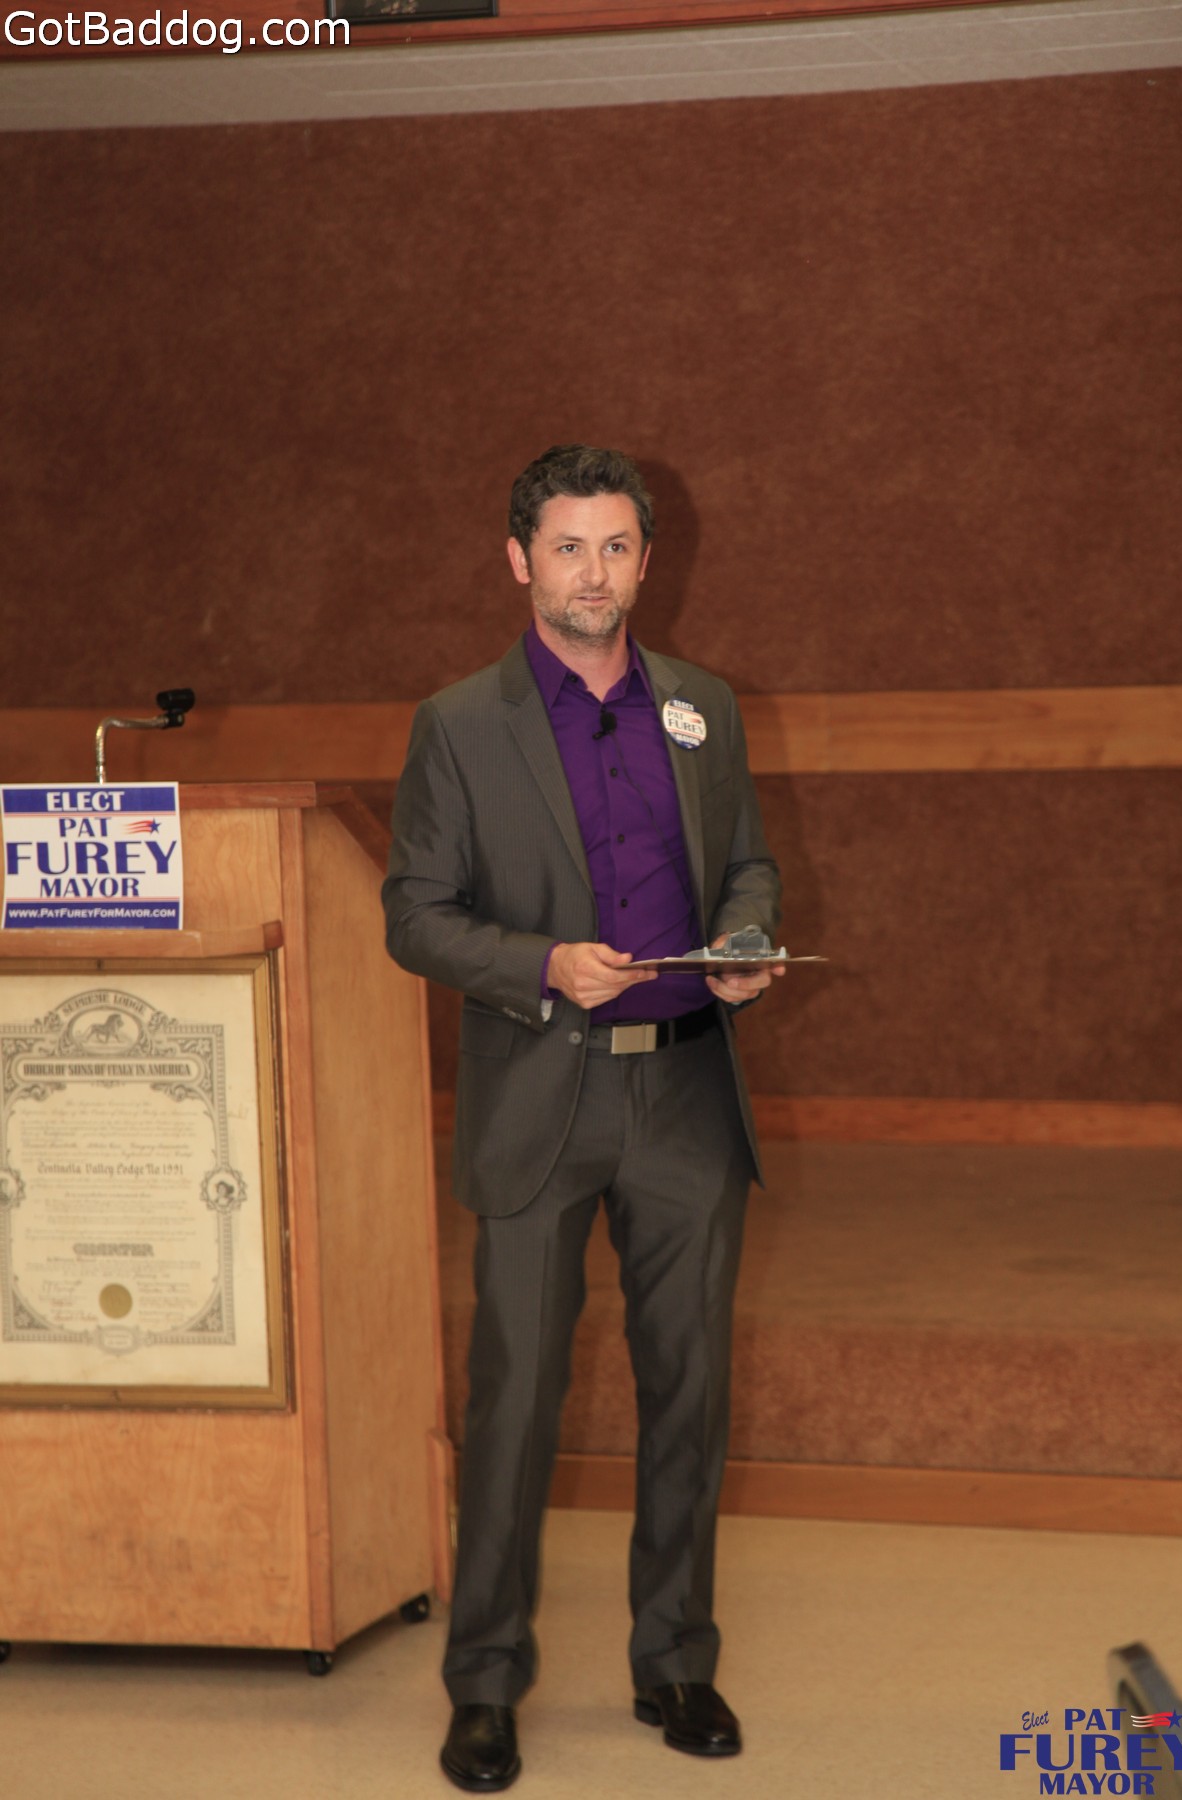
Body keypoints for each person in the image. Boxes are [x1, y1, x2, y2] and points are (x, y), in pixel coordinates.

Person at [383, 444, 783, 1794]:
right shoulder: (459, 723)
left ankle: (674, 1659)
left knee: (689, 1390)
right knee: (515, 1403)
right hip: (539, 1093)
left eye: (616, 548)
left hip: (685, 1094)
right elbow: (415, 916)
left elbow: (746, 863)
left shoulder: (702, 705)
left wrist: (744, 938)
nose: (593, 574)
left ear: (646, 561)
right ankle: (485, 1683)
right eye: (568, 548)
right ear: (519, 560)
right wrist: (543, 963)